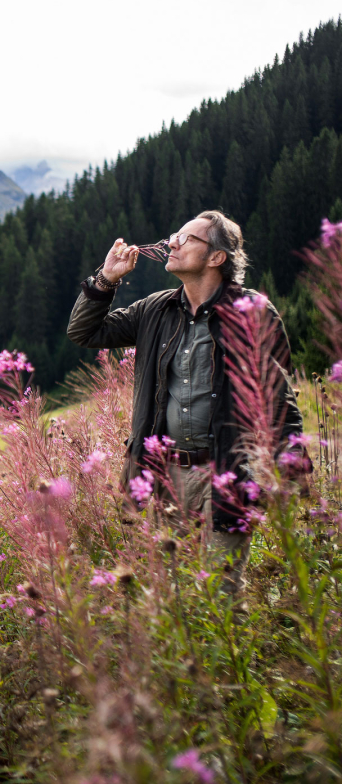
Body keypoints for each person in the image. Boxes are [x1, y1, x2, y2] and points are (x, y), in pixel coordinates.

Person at [67, 210, 304, 600]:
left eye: (187, 238)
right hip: (164, 476)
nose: (172, 242)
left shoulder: (252, 312)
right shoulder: (155, 309)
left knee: (221, 598)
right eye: (174, 234)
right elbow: (84, 331)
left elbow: (280, 401)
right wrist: (106, 279)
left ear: (216, 258)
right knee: (169, 597)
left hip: (227, 474)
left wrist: (292, 475)